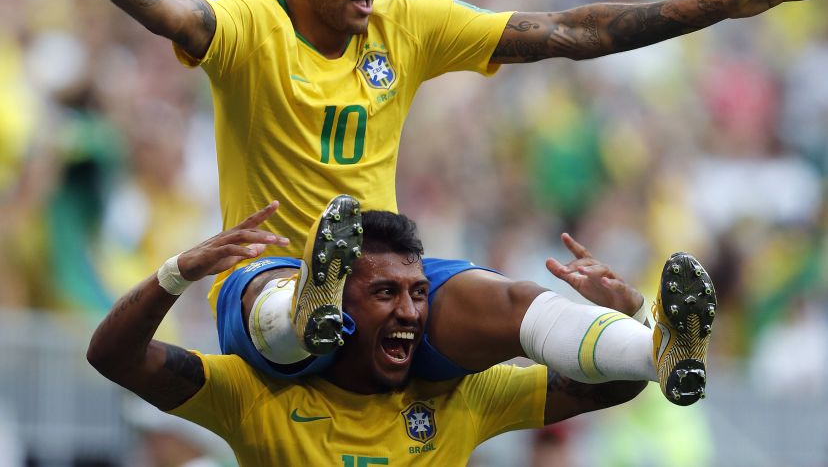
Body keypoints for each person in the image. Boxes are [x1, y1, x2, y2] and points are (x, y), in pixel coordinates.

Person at [28, 0, 820, 402]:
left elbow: (570, 32)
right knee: (272, 292)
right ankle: (313, 303)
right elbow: (174, 9)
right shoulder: (250, 27)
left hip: (389, 276)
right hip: (268, 270)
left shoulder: (408, 26)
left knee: (511, 301)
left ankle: (657, 352)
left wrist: (718, 6)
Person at [86, 199, 714, 465]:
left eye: (418, 294)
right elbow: (113, 356)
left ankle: (657, 340)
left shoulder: (461, 398)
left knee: (539, 316)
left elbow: (606, 391)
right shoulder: (255, 397)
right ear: (336, 304)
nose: (412, 312)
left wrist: (634, 313)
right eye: (385, 293)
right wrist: (179, 272)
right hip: (273, 323)